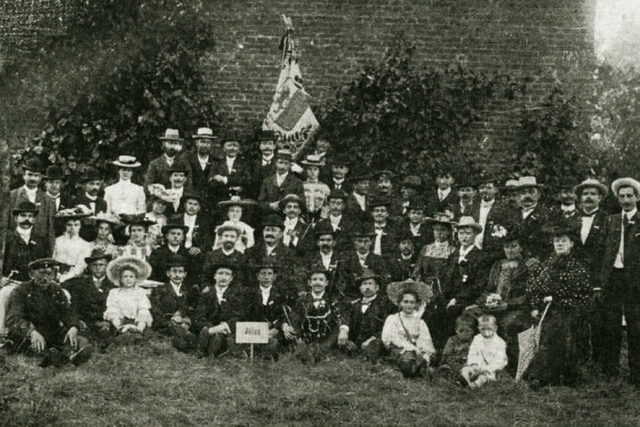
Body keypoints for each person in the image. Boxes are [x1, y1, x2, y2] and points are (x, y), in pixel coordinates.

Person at [524, 219, 592, 387]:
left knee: (557, 329)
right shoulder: (548, 263)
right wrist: (534, 306)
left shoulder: (577, 266)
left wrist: (555, 300)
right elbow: (534, 287)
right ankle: (536, 372)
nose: (559, 244)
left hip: (570, 310)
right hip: (546, 310)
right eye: (556, 241)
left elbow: (579, 293)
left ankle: (543, 376)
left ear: (571, 244)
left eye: (563, 241)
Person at [5, 258, 92, 367]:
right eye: (41, 273)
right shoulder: (21, 291)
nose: (45, 278)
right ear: (32, 274)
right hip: (30, 333)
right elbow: (13, 318)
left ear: (53, 275)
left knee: (81, 341)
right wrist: (31, 332)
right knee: (38, 347)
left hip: (52, 331)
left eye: (49, 274)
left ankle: (62, 355)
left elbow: (67, 312)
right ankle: (59, 356)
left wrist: (73, 326)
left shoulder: (56, 289)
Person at [598, 177, 640, 384]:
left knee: (636, 326)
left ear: (637, 198)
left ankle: (637, 374)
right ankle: (610, 368)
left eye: (629, 196)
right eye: (621, 196)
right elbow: (604, 252)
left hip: (635, 281)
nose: (625, 200)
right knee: (610, 324)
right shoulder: (611, 220)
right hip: (613, 277)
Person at [480, 229, 538, 375]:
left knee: (509, 324)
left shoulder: (531, 265)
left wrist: (509, 304)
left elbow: (531, 293)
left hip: (519, 307)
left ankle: (510, 368)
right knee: (472, 317)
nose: (509, 250)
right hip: (496, 306)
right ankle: (478, 363)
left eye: (513, 246)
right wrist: (488, 299)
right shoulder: (498, 265)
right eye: (506, 247)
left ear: (521, 247)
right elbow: (489, 288)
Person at [414, 212, 458, 350]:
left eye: (442, 230)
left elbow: (450, 275)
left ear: (449, 232)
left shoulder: (452, 250)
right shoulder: (426, 248)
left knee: (435, 315)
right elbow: (418, 269)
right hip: (423, 287)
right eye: (436, 230)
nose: (439, 233)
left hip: (441, 290)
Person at [282, 268, 344, 364]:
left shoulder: (332, 300)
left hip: (326, 342)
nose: (317, 283)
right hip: (306, 341)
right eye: (314, 280)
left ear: (326, 283)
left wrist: (326, 345)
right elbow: (294, 318)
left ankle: (322, 352)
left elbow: (337, 324)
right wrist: (288, 327)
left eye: (321, 280)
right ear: (309, 283)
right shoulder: (302, 300)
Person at [381, 279, 436, 378]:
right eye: (405, 302)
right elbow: (391, 338)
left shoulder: (420, 322)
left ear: (416, 304)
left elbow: (425, 339)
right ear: (400, 303)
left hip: (416, 352)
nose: (409, 305)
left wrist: (423, 352)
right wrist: (410, 348)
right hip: (399, 351)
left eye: (412, 302)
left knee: (421, 360)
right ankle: (411, 370)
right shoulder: (393, 318)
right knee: (408, 360)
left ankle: (418, 370)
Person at [62, 248, 115, 347]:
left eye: (101, 265)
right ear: (89, 267)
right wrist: (78, 321)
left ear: (107, 266)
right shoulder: (79, 284)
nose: (98, 268)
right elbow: (74, 306)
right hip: (86, 323)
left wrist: (108, 322)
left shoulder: (113, 285)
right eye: (94, 265)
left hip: (105, 324)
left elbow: (117, 308)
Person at [339, 269, 394, 360]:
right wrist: (344, 329)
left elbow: (387, 327)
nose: (367, 287)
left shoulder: (384, 304)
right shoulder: (354, 304)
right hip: (357, 341)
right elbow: (346, 318)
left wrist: (372, 339)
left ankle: (367, 356)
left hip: (375, 340)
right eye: (364, 284)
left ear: (377, 288)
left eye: (370, 284)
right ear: (360, 288)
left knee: (376, 345)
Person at [194, 263, 246, 358]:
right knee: (208, 333)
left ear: (231, 278)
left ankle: (215, 351)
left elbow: (240, 316)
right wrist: (213, 328)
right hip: (210, 329)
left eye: (227, 274)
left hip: (227, 330)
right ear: (214, 276)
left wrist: (225, 326)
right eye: (220, 273)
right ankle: (205, 350)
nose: (223, 277)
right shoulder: (206, 294)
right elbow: (199, 317)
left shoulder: (237, 294)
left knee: (223, 339)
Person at [149, 254, 198, 352]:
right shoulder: (159, 290)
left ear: (185, 274)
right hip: (167, 325)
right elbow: (155, 309)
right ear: (168, 273)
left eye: (180, 272)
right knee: (173, 333)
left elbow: (196, 308)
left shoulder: (191, 290)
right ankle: (184, 341)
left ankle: (184, 340)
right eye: (174, 271)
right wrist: (170, 321)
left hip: (185, 324)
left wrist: (187, 320)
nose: (177, 275)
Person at [7, 158, 56, 251]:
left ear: (41, 178)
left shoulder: (48, 200)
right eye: (30, 175)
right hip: (16, 246)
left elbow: (51, 231)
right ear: (23, 175)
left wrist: (50, 252)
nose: (33, 178)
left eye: (36, 175)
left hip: (39, 248)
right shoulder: (12, 196)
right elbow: (6, 225)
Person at [103, 256, 154, 342]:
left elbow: (143, 309)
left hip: (137, 322)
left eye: (131, 277)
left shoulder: (140, 292)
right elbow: (113, 309)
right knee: (113, 315)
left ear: (135, 279)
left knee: (144, 315)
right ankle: (120, 332)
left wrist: (138, 326)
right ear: (121, 279)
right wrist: (119, 324)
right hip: (120, 322)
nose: (128, 279)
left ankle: (138, 332)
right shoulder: (114, 292)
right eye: (125, 277)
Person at [246, 263, 288, 359]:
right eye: (263, 273)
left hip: (273, 330)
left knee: (273, 343)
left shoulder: (281, 293)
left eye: (269, 274)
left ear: (274, 276)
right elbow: (247, 314)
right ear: (257, 276)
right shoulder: (250, 294)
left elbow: (284, 315)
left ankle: (267, 356)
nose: (266, 277)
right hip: (255, 329)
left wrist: (276, 329)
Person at [2, 201, 51, 283]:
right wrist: (1, 278)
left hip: (36, 283)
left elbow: (47, 263)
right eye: (23, 215)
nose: (26, 219)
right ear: (16, 218)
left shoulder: (42, 240)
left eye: (30, 216)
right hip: (12, 282)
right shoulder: (6, 239)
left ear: (34, 220)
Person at [460, 314, 507, 388]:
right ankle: (467, 381)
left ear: (495, 328)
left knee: (483, 377)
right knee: (465, 369)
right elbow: (472, 352)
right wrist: (474, 364)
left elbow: (499, 361)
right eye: (483, 329)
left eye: (489, 328)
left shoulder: (500, 342)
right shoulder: (477, 339)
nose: (486, 331)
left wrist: (486, 369)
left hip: (490, 369)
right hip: (478, 366)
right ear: (479, 328)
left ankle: (475, 384)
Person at [182, 127, 221, 212]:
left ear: (211, 144)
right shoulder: (187, 159)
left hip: (210, 204)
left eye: (208, 142)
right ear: (196, 142)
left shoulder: (216, 161)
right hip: (192, 203)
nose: (205, 145)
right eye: (202, 142)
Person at [258, 148, 305, 213]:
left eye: (286, 163)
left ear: (290, 165)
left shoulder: (297, 182)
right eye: (280, 162)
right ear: (275, 163)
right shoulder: (267, 181)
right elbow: (260, 202)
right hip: (269, 217)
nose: (283, 166)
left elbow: (301, 203)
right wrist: (270, 205)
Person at [52, 207, 93, 282]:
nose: (72, 228)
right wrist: (55, 274)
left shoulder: (85, 245)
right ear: (65, 226)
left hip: (73, 277)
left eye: (76, 225)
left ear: (80, 226)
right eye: (69, 225)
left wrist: (64, 278)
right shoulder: (57, 240)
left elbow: (80, 267)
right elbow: (52, 258)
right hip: (55, 273)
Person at [209, 132, 251, 203]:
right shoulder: (217, 163)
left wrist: (224, 179)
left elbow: (247, 180)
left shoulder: (245, 163)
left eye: (235, 146)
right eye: (229, 145)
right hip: (221, 199)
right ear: (224, 148)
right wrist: (233, 188)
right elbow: (212, 182)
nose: (232, 148)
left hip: (239, 199)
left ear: (239, 148)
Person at [514, 176, 550, 259]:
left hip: (538, 261)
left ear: (538, 194)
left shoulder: (546, 214)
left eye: (531, 192)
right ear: (518, 196)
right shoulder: (512, 214)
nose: (527, 195)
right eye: (523, 192)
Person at [440, 313, 476, 380]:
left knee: (474, 369)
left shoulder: (475, 341)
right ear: (456, 330)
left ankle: (464, 377)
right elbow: (447, 356)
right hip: (454, 363)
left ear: (472, 331)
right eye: (461, 330)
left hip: (468, 364)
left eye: (467, 331)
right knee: (446, 367)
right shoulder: (452, 340)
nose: (464, 334)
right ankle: (453, 375)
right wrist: (456, 365)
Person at [249, 129, 278, 199]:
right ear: (259, 146)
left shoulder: (280, 163)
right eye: (264, 144)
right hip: (256, 201)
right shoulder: (252, 163)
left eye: (270, 144)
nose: (267, 147)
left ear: (274, 146)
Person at [301, 154, 331, 219]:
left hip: (319, 217)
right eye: (309, 169)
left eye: (315, 169)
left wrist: (322, 217)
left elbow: (327, 204)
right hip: (303, 217)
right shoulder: (301, 186)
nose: (312, 172)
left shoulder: (324, 187)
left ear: (319, 171)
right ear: (306, 170)